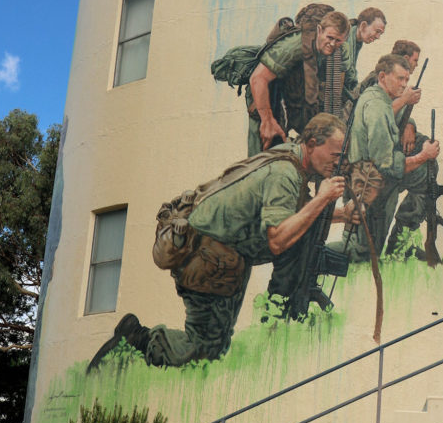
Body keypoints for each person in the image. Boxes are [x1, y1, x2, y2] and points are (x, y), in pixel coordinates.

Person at [87, 114, 356, 370]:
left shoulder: (288, 160)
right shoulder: (284, 174)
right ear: (311, 144)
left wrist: (341, 214)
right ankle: (136, 339)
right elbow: (277, 239)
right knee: (200, 351)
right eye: (335, 155)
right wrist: (322, 199)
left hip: (222, 255)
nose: (338, 163)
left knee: (214, 348)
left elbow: (290, 215)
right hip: (206, 257)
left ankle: (138, 337)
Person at [347, 53, 439, 261]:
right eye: (400, 79)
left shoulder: (379, 98)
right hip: (370, 184)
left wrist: (412, 127)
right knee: (363, 253)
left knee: (426, 175)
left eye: (407, 79)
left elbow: (397, 119)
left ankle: (400, 240)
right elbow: (386, 165)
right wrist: (423, 156)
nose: (404, 85)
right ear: (382, 77)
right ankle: (318, 258)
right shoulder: (377, 107)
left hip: (376, 180)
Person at [246, 9, 357, 155]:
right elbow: (258, 78)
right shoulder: (293, 46)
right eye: (329, 37)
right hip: (265, 88)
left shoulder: (341, 51)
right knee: (267, 142)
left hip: (300, 86)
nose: (332, 43)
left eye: (338, 40)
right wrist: (267, 120)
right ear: (319, 30)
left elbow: (339, 85)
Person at [344, 7, 387, 77]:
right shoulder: (345, 39)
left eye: (380, 34)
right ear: (363, 26)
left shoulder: (357, 40)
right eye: (377, 31)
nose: (378, 37)